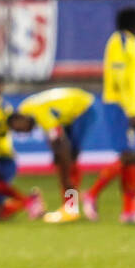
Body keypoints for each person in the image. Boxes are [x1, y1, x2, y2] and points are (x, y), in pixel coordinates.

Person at [82, 7, 135, 223]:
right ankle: (92, 194)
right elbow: (121, 77)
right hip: (118, 106)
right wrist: (131, 111)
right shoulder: (120, 41)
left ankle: (128, 209)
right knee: (129, 156)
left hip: (128, 107)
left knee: (131, 157)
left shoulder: (130, 43)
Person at [10, 87, 99, 223]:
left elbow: (58, 139)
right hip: (74, 109)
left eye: (20, 128)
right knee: (66, 161)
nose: (24, 132)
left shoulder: (36, 112)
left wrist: (63, 165)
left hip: (83, 109)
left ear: (20, 118)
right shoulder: (27, 108)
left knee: (68, 162)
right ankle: (71, 205)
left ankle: (71, 207)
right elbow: (55, 135)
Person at [0, 74, 43, 220]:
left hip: (2, 156)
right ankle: (30, 201)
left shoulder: (2, 109)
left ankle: (28, 202)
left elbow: (11, 123)